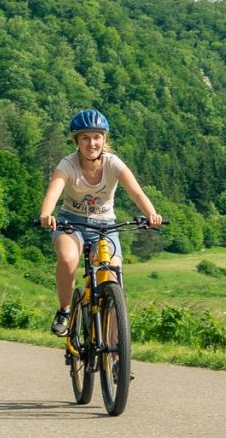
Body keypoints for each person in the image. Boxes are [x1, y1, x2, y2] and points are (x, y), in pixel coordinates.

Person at [35, 109, 163, 333]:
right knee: (67, 259)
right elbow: (52, 193)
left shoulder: (113, 164)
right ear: (76, 141)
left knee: (112, 274)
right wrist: (47, 214)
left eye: (96, 137)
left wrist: (152, 213)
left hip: (105, 225)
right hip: (71, 223)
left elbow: (137, 193)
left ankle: (116, 359)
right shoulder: (68, 164)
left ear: (104, 139)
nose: (91, 143)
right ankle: (64, 311)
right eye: (85, 137)